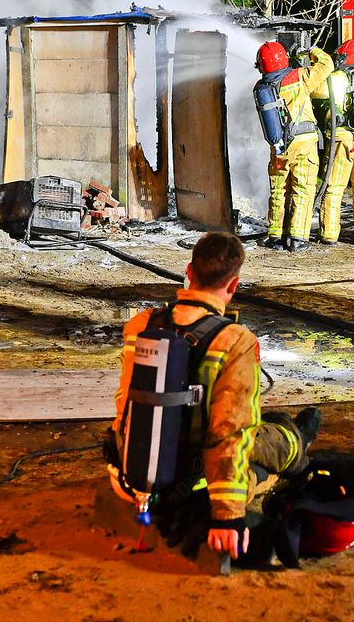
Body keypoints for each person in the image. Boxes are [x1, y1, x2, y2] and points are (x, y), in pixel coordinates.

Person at [110, 232, 321, 558]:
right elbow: (230, 434)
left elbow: (126, 404)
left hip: (129, 480)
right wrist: (228, 518)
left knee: (252, 432)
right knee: (261, 438)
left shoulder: (141, 324)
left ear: (189, 272)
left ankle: (296, 440)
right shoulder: (236, 341)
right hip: (194, 488)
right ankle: (298, 445)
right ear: (233, 286)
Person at [255, 42, 334, 252]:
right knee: (303, 189)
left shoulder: (263, 88)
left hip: (279, 146)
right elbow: (327, 64)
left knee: (279, 190)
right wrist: (311, 50)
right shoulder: (299, 77)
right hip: (305, 143)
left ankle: (275, 235)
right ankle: (297, 238)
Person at [311, 38, 354, 246]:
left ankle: (329, 234)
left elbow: (315, 91)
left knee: (334, 187)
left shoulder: (336, 78)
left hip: (342, 139)